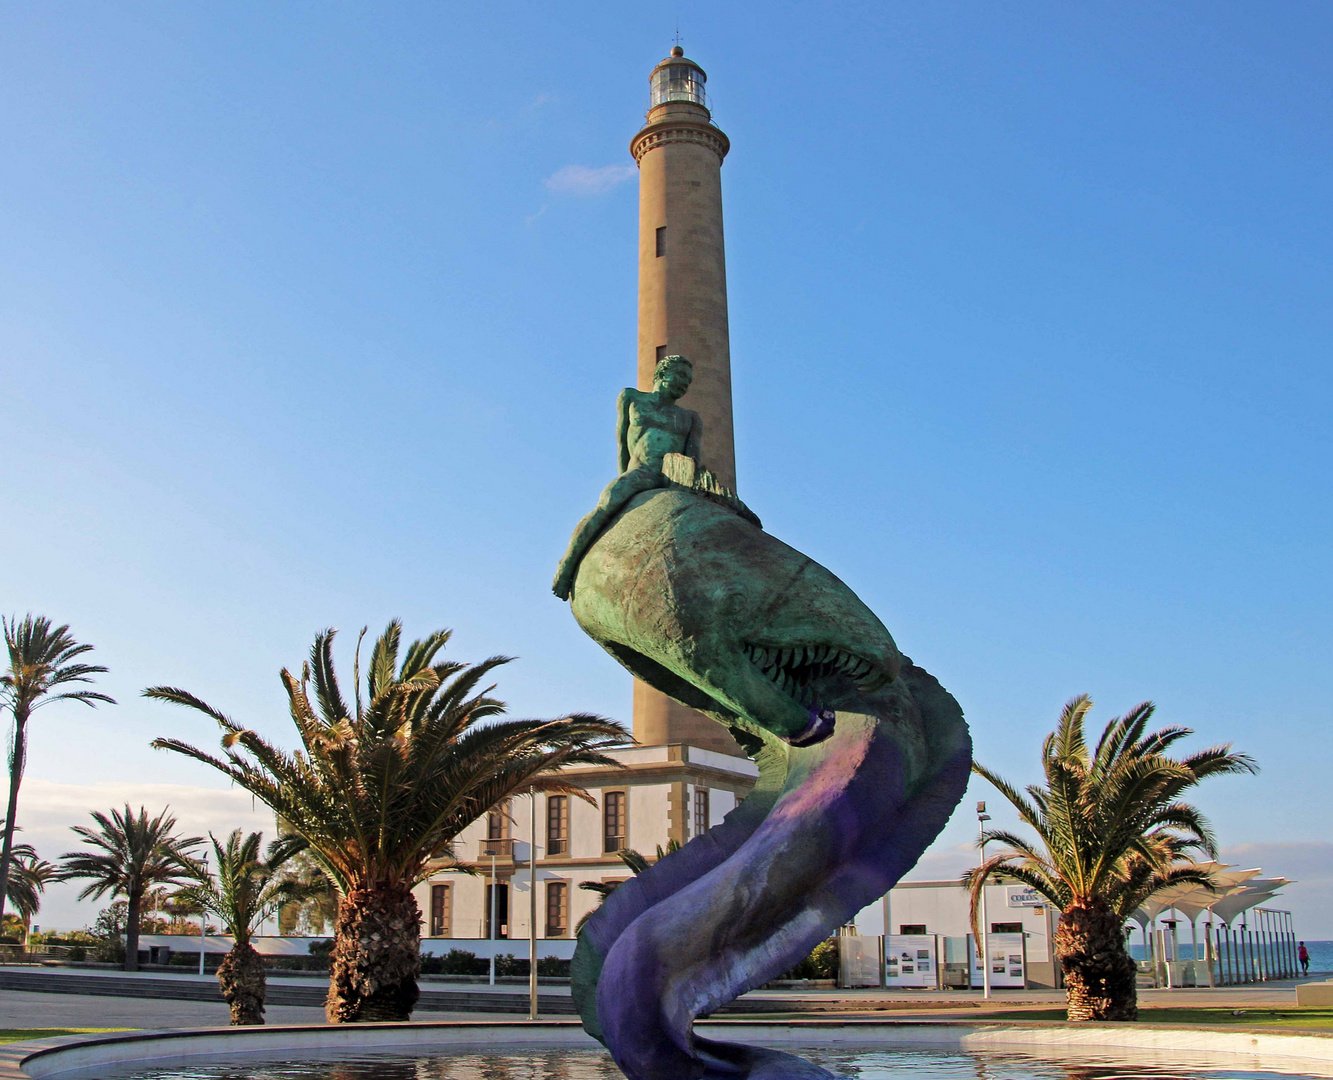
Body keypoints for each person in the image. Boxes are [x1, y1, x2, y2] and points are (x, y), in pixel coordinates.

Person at [553, 355, 702, 600]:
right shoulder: (631, 398)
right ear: (662, 373)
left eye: (689, 379)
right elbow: (622, 442)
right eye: (681, 375)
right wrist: (625, 476)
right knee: (606, 505)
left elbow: (693, 458)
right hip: (641, 472)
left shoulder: (691, 418)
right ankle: (567, 563)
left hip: (673, 480)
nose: (686, 383)